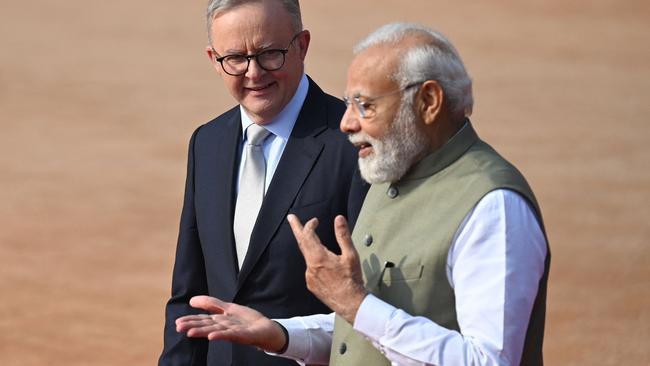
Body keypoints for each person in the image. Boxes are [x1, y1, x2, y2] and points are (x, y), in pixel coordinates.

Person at [175, 23, 551, 365]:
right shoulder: (393, 179)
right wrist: (282, 334)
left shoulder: (493, 207)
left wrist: (355, 304)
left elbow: (488, 361)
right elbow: (367, 332)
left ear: (429, 102)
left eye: (365, 105)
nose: (347, 122)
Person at [158, 1, 367, 365]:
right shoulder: (207, 142)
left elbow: (376, 303)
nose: (254, 73)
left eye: (270, 54)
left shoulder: (354, 144)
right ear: (213, 58)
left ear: (302, 45)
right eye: (235, 58)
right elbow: (189, 295)